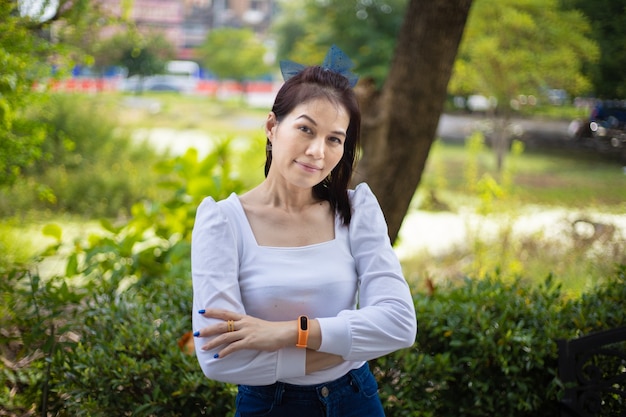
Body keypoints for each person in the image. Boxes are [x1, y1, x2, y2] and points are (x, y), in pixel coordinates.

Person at [191, 45, 417, 417]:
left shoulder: (357, 209)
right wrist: (348, 345)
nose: (317, 151)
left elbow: (399, 324)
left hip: (356, 400)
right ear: (271, 126)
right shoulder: (224, 223)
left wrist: (287, 333)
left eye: (334, 139)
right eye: (305, 129)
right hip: (270, 405)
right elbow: (218, 358)